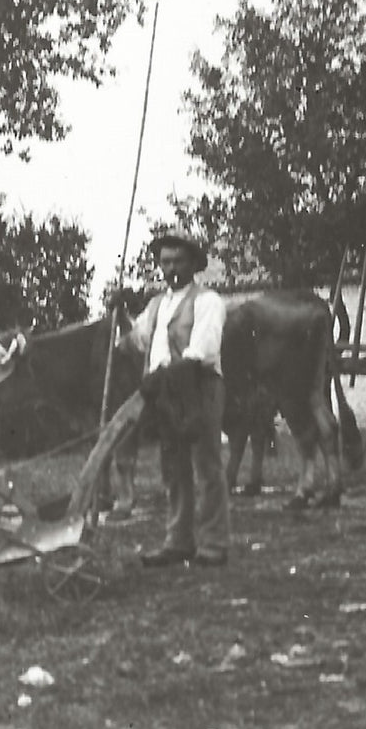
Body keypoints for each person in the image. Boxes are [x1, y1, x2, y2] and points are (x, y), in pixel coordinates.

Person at [113, 232, 231, 567]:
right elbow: (136, 342)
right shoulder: (157, 305)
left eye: (178, 261)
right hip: (164, 391)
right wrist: (120, 312)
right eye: (165, 261)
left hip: (198, 387)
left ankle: (214, 543)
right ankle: (178, 540)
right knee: (173, 465)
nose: (171, 268)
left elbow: (202, 352)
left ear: (194, 263)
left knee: (206, 463)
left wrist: (166, 376)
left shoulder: (207, 301)